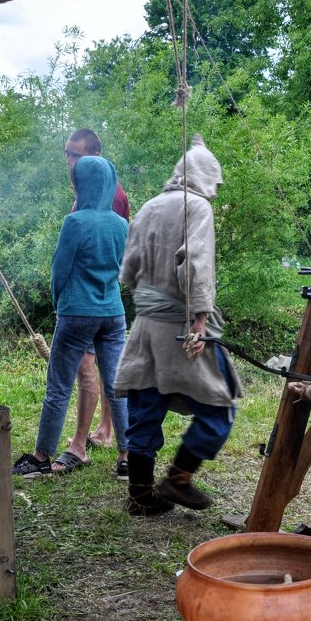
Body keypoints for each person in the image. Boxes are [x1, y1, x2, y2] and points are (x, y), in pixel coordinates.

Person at [113, 134, 243, 516]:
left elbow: (129, 270)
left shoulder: (149, 207)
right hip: (182, 326)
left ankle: (140, 495)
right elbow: (196, 264)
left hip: (147, 326)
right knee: (220, 406)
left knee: (146, 406)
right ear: (205, 176)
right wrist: (199, 321)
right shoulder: (198, 207)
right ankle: (177, 479)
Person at [12, 154, 130, 479]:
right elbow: (124, 270)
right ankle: (126, 457)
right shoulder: (121, 224)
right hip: (113, 313)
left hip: (77, 312)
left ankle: (40, 456)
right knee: (117, 385)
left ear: (81, 184)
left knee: (59, 386)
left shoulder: (75, 222)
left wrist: (57, 302)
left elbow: (59, 270)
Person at [65, 129, 128, 471]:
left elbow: (112, 255)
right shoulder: (88, 194)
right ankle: (102, 434)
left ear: (95, 158)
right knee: (96, 367)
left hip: (96, 300)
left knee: (92, 367)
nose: (70, 163)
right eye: (68, 155)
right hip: (95, 300)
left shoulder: (111, 198)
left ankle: (86, 441)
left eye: (77, 156)